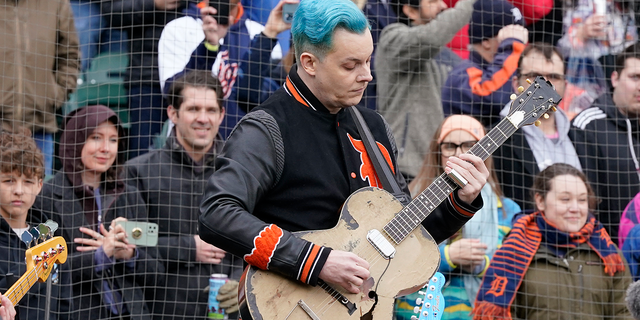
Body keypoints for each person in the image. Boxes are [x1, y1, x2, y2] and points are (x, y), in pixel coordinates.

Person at [199, 0, 488, 302]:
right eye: (350, 65)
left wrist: (460, 201)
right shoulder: (266, 127)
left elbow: (403, 236)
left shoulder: (375, 128)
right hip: (287, 305)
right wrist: (315, 261)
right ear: (309, 62)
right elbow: (217, 214)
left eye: (367, 61)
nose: (367, 75)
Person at [126, 70, 242, 320]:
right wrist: (188, 248)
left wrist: (241, 283)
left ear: (222, 115)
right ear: (172, 113)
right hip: (163, 310)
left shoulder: (239, 171)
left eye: (211, 110)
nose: (203, 119)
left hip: (227, 311)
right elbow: (131, 235)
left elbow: (257, 236)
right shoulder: (140, 171)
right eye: (193, 109)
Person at [33, 105, 163, 320]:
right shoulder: (46, 196)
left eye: (113, 140)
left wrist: (129, 254)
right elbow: (43, 271)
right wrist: (100, 255)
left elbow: (157, 272)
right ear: (76, 140)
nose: (106, 148)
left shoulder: (129, 194)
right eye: (96, 137)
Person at [396, 115, 520, 320]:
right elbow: (393, 259)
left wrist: (481, 263)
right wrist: (447, 256)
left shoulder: (507, 210)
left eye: (471, 146)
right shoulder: (410, 197)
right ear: (438, 151)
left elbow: (514, 266)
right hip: (413, 313)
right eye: (450, 146)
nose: (461, 154)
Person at [474, 163, 632, 319]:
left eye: (582, 200)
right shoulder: (514, 252)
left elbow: (624, 313)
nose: (575, 208)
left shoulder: (609, 255)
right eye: (565, 199)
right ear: (540, 201)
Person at [158, 0, 289, 139]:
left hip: (242, 148)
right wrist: (208, 48)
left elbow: (267, 101)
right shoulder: (179, 27)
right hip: (188, 146)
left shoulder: (261, 33)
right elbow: (171, 93)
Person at [376, 0, 472, 179]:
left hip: (440, 169)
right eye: (433, 1)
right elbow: (431, 37)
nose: (443, 6)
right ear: (410, 11)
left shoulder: (451, 58)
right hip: (402, 167)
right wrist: (468, 4)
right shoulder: (393, 38)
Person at [494, 42, 581, 212]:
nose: (545, 85)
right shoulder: (494, 138)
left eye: (554, 76)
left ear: (565, 84)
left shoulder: (584, 137)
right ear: (515, 82)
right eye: (535, 76)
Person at [0, 127, 74, 320]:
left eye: (28, 182)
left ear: (40, 185)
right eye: (9, 180)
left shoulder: (51, 240)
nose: (19, 190)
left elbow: (65, 306)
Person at [569, 43, 640, 242]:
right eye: (635, 77)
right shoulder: (587, 125)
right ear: (615, 78)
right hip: (609, 252)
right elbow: (588, 200)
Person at [0, 0, 80, 176]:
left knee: (38, 199)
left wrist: (54, 95)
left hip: (39, 127)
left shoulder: (55, 3)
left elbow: (70, 54)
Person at [102, 0, 189, 158]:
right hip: (146, 77)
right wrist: (153, 3)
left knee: (191, 151)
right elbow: (113, 12)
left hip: (193, 77)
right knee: (143, 154)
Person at [441, 0, 528, 127]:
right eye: (511, 34)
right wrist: (511, 48)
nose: (521, 41)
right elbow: (493, 98)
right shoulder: (461, 74)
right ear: (486, 41)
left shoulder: (511, 69)